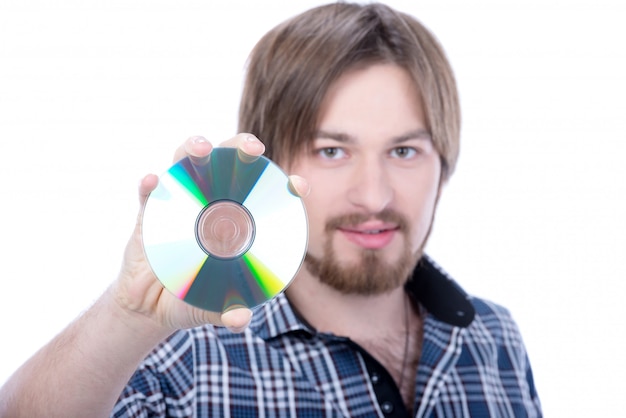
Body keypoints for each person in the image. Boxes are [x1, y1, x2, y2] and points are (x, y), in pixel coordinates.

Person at [0, 2, 542, 417]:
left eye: (404, 151)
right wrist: (125, 317)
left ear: (443, 163)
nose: (374, 196)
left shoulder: (495, 338)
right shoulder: (183, 363)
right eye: (333, 151)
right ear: (273, 167)